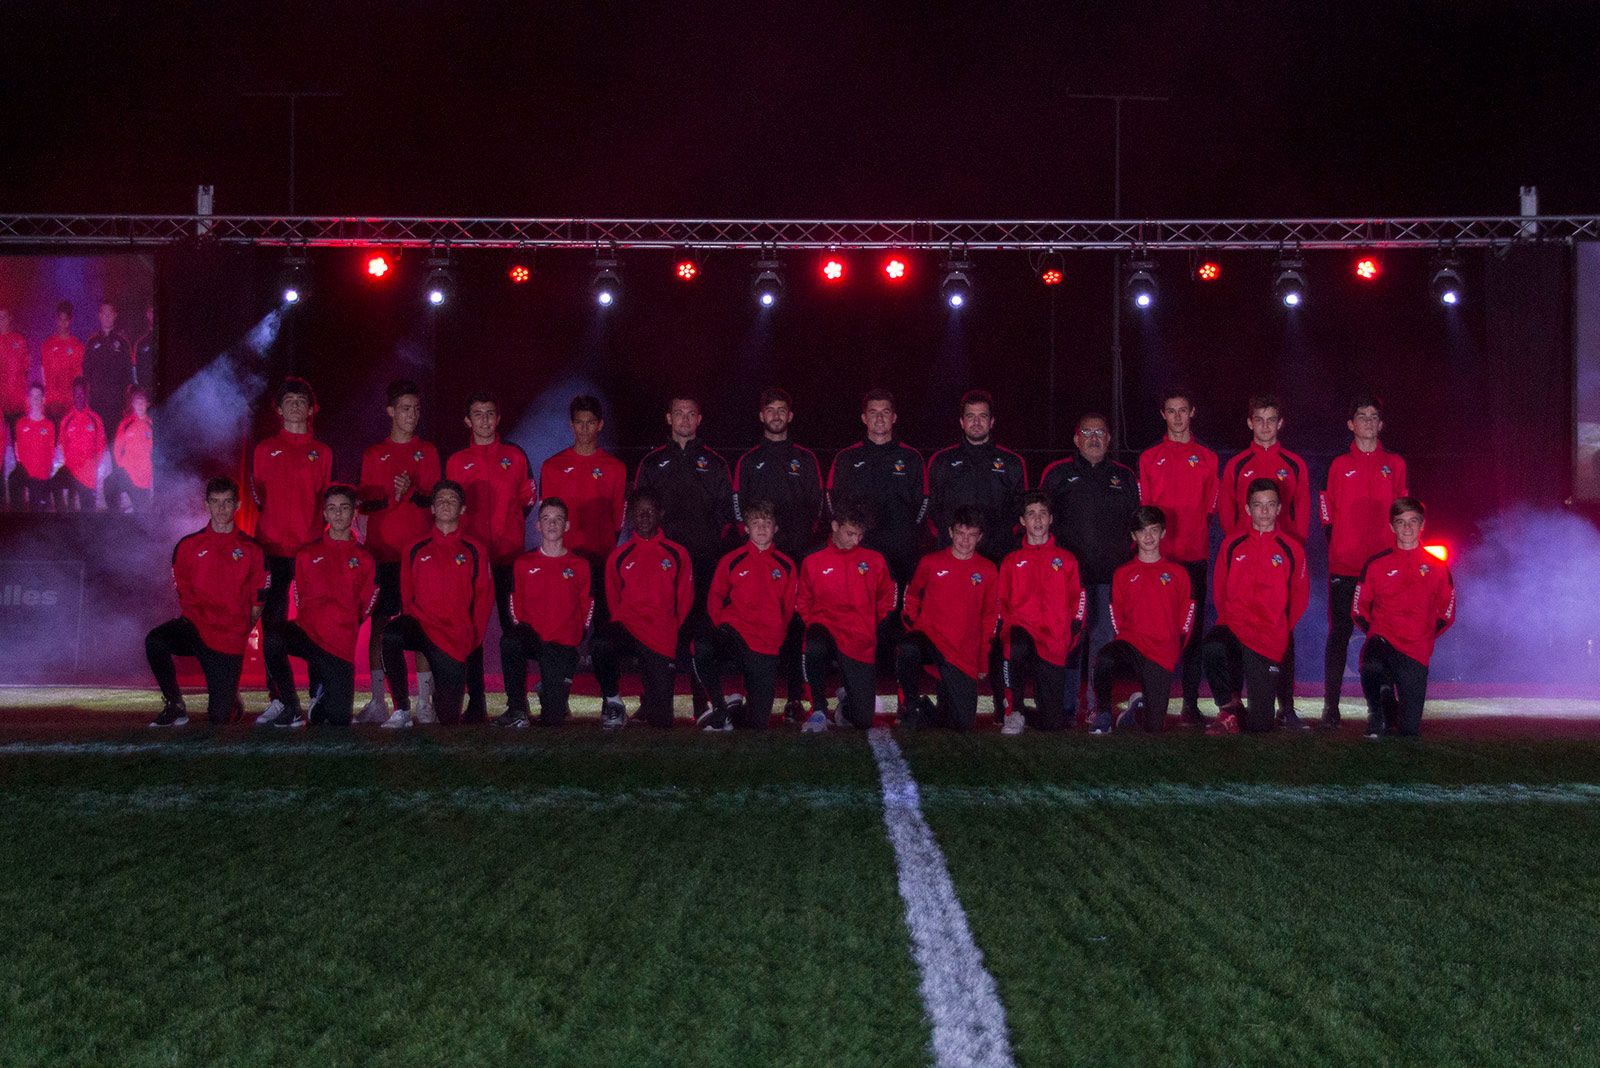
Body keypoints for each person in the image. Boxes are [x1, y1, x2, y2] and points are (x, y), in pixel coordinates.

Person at [1040, 412, 1140, 720]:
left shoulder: (1124, 477)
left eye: (1100, 432)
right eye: (1087, 432)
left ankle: (1098, 705)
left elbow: (1138, 525)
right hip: (1068, 579)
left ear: (1109, 439)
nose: (1094, 438)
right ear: (1076, 438)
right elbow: (1039, 520)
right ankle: (1066, 706)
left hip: (1110, 577)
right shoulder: (1057, 474)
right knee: (1069, 640)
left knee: (1102, 640)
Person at [1219, 395, 1311, 726]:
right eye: (1259, 419)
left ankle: (1286, 707)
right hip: (1246, 557)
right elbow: (1227, 511)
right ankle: (1232, 702)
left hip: (1280, 561)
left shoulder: (1295, 463)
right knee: (1231, 632)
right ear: (1250, 423)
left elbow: (1301, 511)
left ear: (1280, 423)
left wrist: (1291, 551)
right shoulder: (1237, 464)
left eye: (1272, 419)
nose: (1266, 426)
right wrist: (1241, 545)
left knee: (1284, 633)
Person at [145, 477, 267, 726]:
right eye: (215, 502)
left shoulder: (252, 550)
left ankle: (230, 694)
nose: (221, 509)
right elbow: (184, 594)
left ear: (238, 505)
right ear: (207, 505)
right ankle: (175, 705)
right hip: (196, 628)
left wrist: (239, 629)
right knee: (155, 640)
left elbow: (258, 600)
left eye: (227, 502)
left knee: (220, 718)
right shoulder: (188, 546)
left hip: (228, 639)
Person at [444, 392, 535, 721]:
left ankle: (516, 701)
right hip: (470, 560)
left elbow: (526, 502)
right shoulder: (456, 462)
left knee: (513, 629)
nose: (484, 420)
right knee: (471, 628)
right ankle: (476, 699)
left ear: (498, 419)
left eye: (489, 414)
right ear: (467, 421)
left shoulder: (515, 456)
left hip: (509, 557)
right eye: (477, 414)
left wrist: (508, 532)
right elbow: (449, 507)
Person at [355, 380, 441, 724]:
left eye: (417, 409)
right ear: (390, 411)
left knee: (421, 627)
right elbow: (365, 502)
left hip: (420, 557)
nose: (412, 415)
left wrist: (414, 489)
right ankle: (379, 701)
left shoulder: (429, 452)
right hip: (382, 554)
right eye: (406, 408)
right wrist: (392, 495)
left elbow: (437, 501)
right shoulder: (374, 454)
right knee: (379, 627)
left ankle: (424, 702)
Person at [1319, 395, 1408, 728]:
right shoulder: (1340, 465)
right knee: (1339, 633)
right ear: (1351, 424)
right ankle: (1331, 707)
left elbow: (1403, 513)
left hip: (1386, 568)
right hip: (1345, 565)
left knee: (1387, 635)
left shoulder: (1395, 464)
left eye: (1374, 417)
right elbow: (1327, 512)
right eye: (1362, 416)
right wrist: (1341, 545)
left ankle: (1386, 703)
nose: (1368, 422)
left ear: (1381, 424)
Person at [734, 388, 823, 716]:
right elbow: (737, 505)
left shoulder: (805, 458)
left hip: (797, 555)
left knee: (796, 626)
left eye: (781, 410)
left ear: (790, 415)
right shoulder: (749, 460)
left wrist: (799, 540)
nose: (775, 415)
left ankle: (795, 697)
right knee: (755, 623)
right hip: (758, 557)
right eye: (769, 409)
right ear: (761, 416)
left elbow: (817, 505)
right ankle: (752, 693)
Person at [379, 480, 493, 728]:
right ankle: (402, 710)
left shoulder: (475, 550)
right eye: (440, 499)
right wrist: (416, 626)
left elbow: (484, 597)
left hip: (454, 639)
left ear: (462, 509)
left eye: (452, 499)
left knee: (449, 718)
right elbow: (406, 594)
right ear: (431, 508)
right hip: (421, 627)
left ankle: (439, 701)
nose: (445, 503)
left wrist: (472, 637)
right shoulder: (414, 548)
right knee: (390, 635)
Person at [251, 378, 333, 721]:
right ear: (279, 409)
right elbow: (259, 496)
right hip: (271, 550)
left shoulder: (323, 452)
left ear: (312, 408)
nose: (297, 405)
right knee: (271, 627)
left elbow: (327, 501)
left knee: (315, 625)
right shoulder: (264, 449)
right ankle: (282, 698)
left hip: (309, 553)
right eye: (290, 400)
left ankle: (319, 696)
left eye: (303, 400)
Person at [261, 485, 377, 728]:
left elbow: (366, 605)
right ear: (324, 513)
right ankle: (291, 706)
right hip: (308, 635)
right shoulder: (306, 554)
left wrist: (342, 623)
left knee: (337, 721)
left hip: (339, 648)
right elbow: (299, 595)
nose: (338, 515)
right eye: (332, 509)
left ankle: (322, 694)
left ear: (354, 512)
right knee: (273, 636)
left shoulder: (365, 558)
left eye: (344, 509)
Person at [1137, 388, 1219, 725]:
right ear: (1163, 415)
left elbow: (1210, 509)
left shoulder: (1209, 458)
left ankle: (1190, 703)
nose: (1177, 417)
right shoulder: (1148, 458)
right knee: (1157, 633)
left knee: (1193, 634)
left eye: (1183, 410)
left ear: (1192, 412)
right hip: (1158, 560)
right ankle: (1153, 699)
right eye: (1171, 411)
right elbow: (1145, 511)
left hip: (1194, 557)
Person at [1202, 479, 1310, 734]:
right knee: (1213, 645)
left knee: (1260, 727)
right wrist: (1232, 621)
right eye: (1258, 505)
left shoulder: (1291, 548)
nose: (1264, 511)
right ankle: (1229, 709)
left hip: (1268, 637)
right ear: (1248, 509)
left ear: (1279, 508)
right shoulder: (1232, 544)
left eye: (1270, 505)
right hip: (1235, 627)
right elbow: (1220, 589)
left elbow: (1300, 597)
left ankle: (1251, 713)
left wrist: (1279, 628)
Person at [691, 497, 797, 731]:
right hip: (734, 634)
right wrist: (719, 625)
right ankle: (719, 707)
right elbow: (715, 597)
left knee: (757, 724)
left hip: (767, 643)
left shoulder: (786, 565)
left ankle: (735, 708)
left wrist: (777, 633)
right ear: (746, 528)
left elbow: (789, 608)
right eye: (755, 522)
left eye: (766, 523)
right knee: (701, 647)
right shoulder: (732, 560)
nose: (761, 528)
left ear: (775, 528)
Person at [1353, 497, 1456, 738]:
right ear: (1391, 526)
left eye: (1413, 522)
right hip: (1384, 640)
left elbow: (1448, 611)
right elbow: (1358, 608)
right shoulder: (1376, 564)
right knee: (1371, 663)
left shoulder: (1438, 567)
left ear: (1422, 525)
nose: (1407, 528)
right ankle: (1377, 714)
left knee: (1409, 730)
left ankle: (1390, 701)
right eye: (1400, 522)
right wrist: (1375, 632)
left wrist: (1427, 634)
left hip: (1416, 651)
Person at [592, 489, 694, 730]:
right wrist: (627, 622)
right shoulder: (618, 556)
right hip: (629, 629)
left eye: (649, 511)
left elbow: (685, 599)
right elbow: (613, 600)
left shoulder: (677, 554)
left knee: (662, 722)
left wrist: (668, 629)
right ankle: (614, 702)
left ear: (660, 514)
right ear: (631, 518)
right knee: (601, 644)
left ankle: (652, 699)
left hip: (661, 636)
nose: (644, 516)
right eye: (639, 513)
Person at [1090, 506, 1196, 734]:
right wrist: (1124, 638)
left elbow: (1187, 615)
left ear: (1163, 533)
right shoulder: (1123, 573)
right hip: (1132, 645)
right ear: (1133, 536)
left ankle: (1138, 707)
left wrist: (1175, 647)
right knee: (1105, 658)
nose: (1148, 537)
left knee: (1154, 728)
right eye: (1142, 531)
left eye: (1154, 530)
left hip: (1162, 652)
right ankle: (1105, 713)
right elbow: (1115, 613)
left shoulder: (1178, 573)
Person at [896, 507, 999, 731]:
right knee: (907, 648)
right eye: (961, 533)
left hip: (962, 651)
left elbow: (990, 617)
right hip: (931, 638)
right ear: (950, 532)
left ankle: (927, 707)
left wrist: (983, 659)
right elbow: (911, 596)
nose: (965, 540)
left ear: (979, 537)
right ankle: (911, 705)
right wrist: (915, 627)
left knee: (961, 724)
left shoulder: (988, 570)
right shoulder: (930, 563)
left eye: (972, 535)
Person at [796, 500, 895, 731]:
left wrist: (871, 624)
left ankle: (846, 700)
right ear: (834, 526)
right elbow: (802, 601)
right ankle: (819, 710)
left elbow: (887, 597)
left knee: (861, 721)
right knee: (814, 643)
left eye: (860, 535)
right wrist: (813, 623)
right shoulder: (813, 559)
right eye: (850, 534)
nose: (855, 541)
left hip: (859, 639)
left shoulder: (875, 560)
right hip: (826, 630)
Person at [497, 498, 594, 728]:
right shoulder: (523, 563)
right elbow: (513, 604)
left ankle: (548, 689)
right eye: (546, 519)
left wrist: (577, 637)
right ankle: (517, 708)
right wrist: (522, 629)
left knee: (553, 720)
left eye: (558, 519)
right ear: (537, 526)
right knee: (510, 642)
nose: (552, 524)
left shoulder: (580, 565)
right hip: (532, 638)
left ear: (567, 526)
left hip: (562, 644)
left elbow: (587, 605)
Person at [997, 492, 1086, 734]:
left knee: (1052, 725)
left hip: (1054, 640)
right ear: (1022, 521)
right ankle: (1014, 710)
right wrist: (1005, 628)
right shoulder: (1011, 561)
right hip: (1022, 630)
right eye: (1031, 514)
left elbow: (1079, 598)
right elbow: (1000, 601)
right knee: (1015, 645)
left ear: (1051, 519)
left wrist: (1073, 631)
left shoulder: (1067, 560)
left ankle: (1034, 712)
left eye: (1042, 514)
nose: (1037, 520)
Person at [827, 388, 928, 591]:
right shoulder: (846, 457)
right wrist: (845, 532)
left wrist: (906, 531)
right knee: (857, 601)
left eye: (885, 412)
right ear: (864, 418)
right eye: (873, 412)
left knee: (896, 606)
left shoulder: (911, 458)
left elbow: (924, 500)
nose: (880, 418)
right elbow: (831, 497)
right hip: (859, 544)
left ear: (894, 417)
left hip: (899, 548)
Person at [537, 394, 627, 617]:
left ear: (600, 425)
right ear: (571, 424)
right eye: (579, 422)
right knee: (564, 617)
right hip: (564, 558)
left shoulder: (615, 468)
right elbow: (547, 516)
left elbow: (618, 518)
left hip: (602, 557)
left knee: (601, 624)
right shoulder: (552, 467)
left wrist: (605, 546)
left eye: (590, 423)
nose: (585, 429)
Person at [926, 389, 1027, 564]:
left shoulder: (1012, 462)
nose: (976, 422)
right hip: (953, 554)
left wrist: (999, 536)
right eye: (970, 416)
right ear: (962, 422)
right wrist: (953, 537)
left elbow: (1020, 509)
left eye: (982, 416)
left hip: (997, 554)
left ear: (992, 421)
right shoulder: (942, 460)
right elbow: (931, 507)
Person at [53, 377, 105, 511]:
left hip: (88, 474)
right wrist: (71, 465)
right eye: (76, 394)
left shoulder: (95, 419)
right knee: (54, 483)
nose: (79, 397)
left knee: (88, 514)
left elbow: (100, 447)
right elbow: (64, 445)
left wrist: (92, 467)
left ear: (86, 395)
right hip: (71, 471)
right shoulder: (66, 420)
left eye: (82, 394)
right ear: (72, 396)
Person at [83, 300, 133, 428]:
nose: (107, 316)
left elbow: (128, 374)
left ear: (115, 315)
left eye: (109, 313)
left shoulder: (122, 342)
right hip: (97, 401)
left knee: (114, 439)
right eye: (104, 313)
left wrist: (125, 401)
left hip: (116, 402)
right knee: (98, 439)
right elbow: (86, 373)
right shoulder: (92, 342)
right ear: (99, 316)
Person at [105, 385, 155, 512]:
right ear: (132, 404)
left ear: (147, 404)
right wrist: (122, 465)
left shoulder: (152, 425)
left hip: (142, 478)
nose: (139, 405)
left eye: (142, 402)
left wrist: (149, 468)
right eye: (137, 402)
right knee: (108, 484)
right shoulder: (126, 424)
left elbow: (155, 451)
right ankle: (116, 517)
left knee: (143, 515)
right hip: (126, 473)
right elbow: (117, 447)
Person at [9, 383, 56, 511]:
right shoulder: (20, 424)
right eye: (32, 396)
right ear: (28, 399)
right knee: (12, 479)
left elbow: (51, 452)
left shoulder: (49, 425)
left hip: (40, 476)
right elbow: (17, 449)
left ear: (43, 399)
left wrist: (46, 472)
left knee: (38, 516)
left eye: (38, 396)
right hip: (25, 473)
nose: (35, 400)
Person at [40, 302, 83, 421]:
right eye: (60, 319)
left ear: (70, 321)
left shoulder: (77, 346)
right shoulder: (48, 345)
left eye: (66, 320)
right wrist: (45, 397)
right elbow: (43, 372)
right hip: (51, 402)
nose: (62, 323)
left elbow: (79, 377)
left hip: (70, 403)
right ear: (56, 320)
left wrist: (77, 401)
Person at [0, 307, 28, 419]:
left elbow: (26, 369)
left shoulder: (19, 340)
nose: (1, 320)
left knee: (17, 435)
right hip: (1, 401)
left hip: (17, 401)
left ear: (10, 318)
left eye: (3, 317)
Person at [134, 303, 155, 388]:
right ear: (148, 314)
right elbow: (137, 373)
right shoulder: (141, 343)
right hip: (147, 392)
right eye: (152, 311)